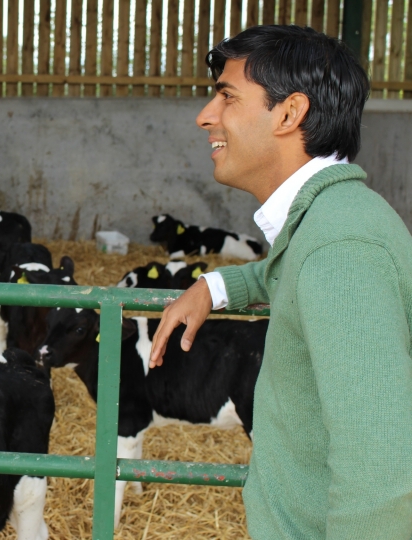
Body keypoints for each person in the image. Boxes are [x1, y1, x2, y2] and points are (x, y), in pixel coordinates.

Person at [149, 24, 412, 539]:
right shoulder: (327, 224)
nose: (206, 115)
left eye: (227, 96)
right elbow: (291, 275)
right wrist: (218, 287)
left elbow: (382, 471)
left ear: (290, 114)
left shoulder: (341, 250)